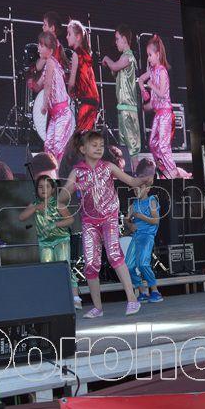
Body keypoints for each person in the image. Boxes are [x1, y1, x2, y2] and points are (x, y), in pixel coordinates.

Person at [58, 131, 152, 317]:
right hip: (89, 221)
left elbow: (132, 181)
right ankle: (97, 308)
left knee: (114, 255)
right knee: (91, 264)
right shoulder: (77, 172)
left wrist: (143, 179)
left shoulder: (109, 167)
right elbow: (62, 198)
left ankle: (132, 300)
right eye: (94, 145)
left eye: (101, 145)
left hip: (109, 217)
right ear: (83, 149)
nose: (99, 148)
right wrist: (72, 187)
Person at [19, 175, 82, 309]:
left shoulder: (58, 204)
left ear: (53, 189)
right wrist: (35, 208)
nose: (43, 190)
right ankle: (53, 299)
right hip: (44, 242)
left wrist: (55, 224)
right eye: (40, 187)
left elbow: (70, 220)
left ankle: (76, 298)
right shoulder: (35, 204)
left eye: (47, 187)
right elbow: (21, 217)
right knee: (47, 269)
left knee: (64, 267)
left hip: (61, 240)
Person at [138, 34, 191, 179]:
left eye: (150, 55)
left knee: (163, 145)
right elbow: (141, 79)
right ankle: (164, 168)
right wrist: (143, 90)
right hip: (158, 114)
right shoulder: (152, 71)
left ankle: (172, 171)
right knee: (152, 143)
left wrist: (151, 86)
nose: (148, 58)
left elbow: (162, 93)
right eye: (147, 55)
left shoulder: (162, 71)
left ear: (158, 54)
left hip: (166, 114)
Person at [101, 25, 141, 169]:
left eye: (117, 39)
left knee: (132, 146)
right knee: (124, 145)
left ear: (124, 39)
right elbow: (115, 70)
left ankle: (136, 172)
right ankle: (128, 172)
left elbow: (115, 66)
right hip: (123, 107)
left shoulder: (128, 56)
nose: (116, 42)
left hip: (128, 107)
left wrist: (107, 59)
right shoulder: (123, 57)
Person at [124, 159, 163, 303]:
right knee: (128, 265)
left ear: (147, 189)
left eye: (139, 189)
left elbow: (156, 220)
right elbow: (126, 219)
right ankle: (142, 290)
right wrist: (130, 225)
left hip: (147, 236)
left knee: (143, 263)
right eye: (135, 189)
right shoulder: (134, 204)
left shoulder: (151, 200)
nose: (136, 191)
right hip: (136, 236)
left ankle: (155, 291)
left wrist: (140, 217)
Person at [35, 31, 75, 163]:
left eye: (42, 46)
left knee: (58, 147)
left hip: (62, 114)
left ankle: (60, 174)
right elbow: (38, 85)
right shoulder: (49, 64)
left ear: (50, 50)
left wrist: (44, 104)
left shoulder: (51, 63)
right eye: (39, 45)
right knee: (48, 146)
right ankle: (52, 173)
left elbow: (47, 86)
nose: (38, 48)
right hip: (55, 115)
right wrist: (32, 82)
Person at [65, 20, 99, 132]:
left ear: (78, 37)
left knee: (81, 136)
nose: (66, 37)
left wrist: (69, 95)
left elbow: (71, 83)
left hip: (87, 100)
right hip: (93, 99)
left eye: (69, 34)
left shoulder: (76, 54)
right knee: (87, 135)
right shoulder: (85, 53)